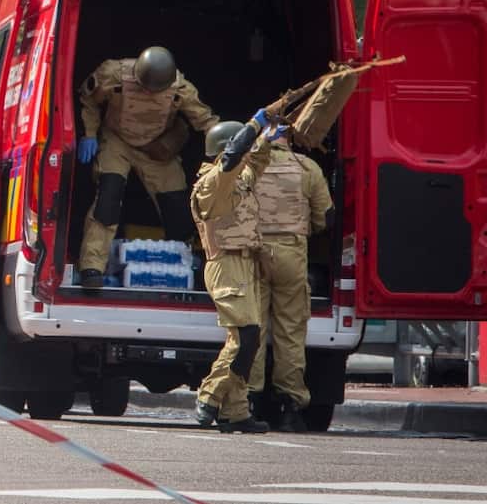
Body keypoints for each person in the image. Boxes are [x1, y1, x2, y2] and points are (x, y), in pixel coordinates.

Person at [75, 46, 219, 288]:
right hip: (117, 141)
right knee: (107, 200)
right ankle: (92, 267)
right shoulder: (114, 74)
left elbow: (204, 120)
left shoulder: (180, 89)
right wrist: (89, 133)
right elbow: (88, 98)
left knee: (177, 208)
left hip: (155, 149)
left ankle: (186, 266)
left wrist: (226, 144)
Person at [190, 111, 276, 434]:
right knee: (246, 338)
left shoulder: (239, 176)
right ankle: (208, 396)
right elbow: (235, 159)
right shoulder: (211, 183)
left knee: (246, 340)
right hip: (224, 264)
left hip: (246, 264)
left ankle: (235, 411)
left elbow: (254, 165)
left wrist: (268, 138)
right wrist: (255, 124)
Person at [247, 127, 334, 432]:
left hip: (252, 253)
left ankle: (249, 401)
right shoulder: (307, 167)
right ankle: (290, 406)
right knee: (290, 332)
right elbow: (325, 217)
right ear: (290, 139)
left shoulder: (249, 163)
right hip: (291, 256)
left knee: (251, 330)